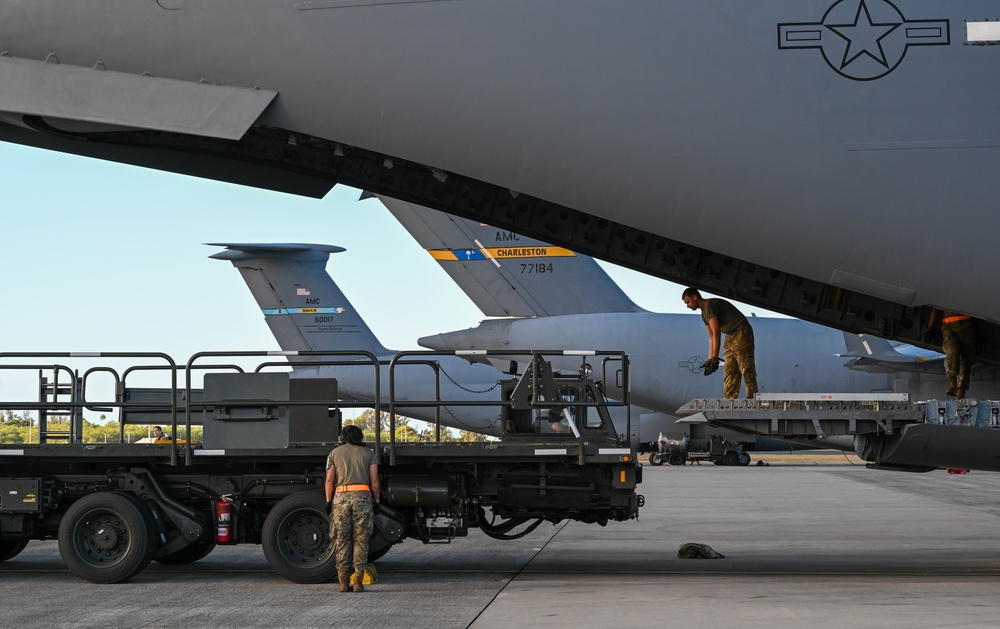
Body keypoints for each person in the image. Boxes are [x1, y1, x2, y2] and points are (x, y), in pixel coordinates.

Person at [325, 424, 379, 593]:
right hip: (362, 498)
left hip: (341, 499)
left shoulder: (335, 453)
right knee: (361, 540)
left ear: (343, 437)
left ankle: (342, 582)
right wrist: (376, 501)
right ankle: (357, 583)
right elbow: (374, 481)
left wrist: (328, 501)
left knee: (342, 539)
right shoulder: (369, 453)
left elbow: (329, 480)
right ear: (361, 437)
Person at [681, 287, 758, 399]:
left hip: (741, 330)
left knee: (745, 365)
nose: (687, 305)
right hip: (730, 334)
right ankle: (729, 398)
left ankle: (752, 396)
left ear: (695, 297)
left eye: (688, 302)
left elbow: (717, 332)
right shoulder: (703, 314)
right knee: (730, 369)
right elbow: (711, 336)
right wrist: (710, 359)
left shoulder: (709, 306)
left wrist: (715, 357)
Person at [924, 308, 976, 398]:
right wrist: (930, 327)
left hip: (966, 325)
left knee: (965, 359)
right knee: (952, 351)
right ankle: (953, 381)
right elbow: (936, 308)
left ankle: (961, 390)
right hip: (949, 326)